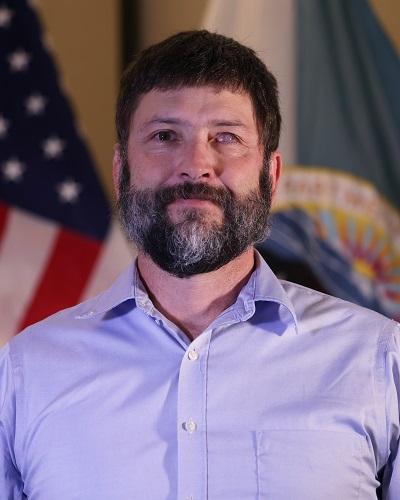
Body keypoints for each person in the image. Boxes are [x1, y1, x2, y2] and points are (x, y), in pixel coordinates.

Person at [0, 30, 399, 500]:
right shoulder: (25, 373)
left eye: (226, 137)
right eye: (165, 136)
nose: (196, 164)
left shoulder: (379, 359)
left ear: (271, 176)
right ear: (120, 170)